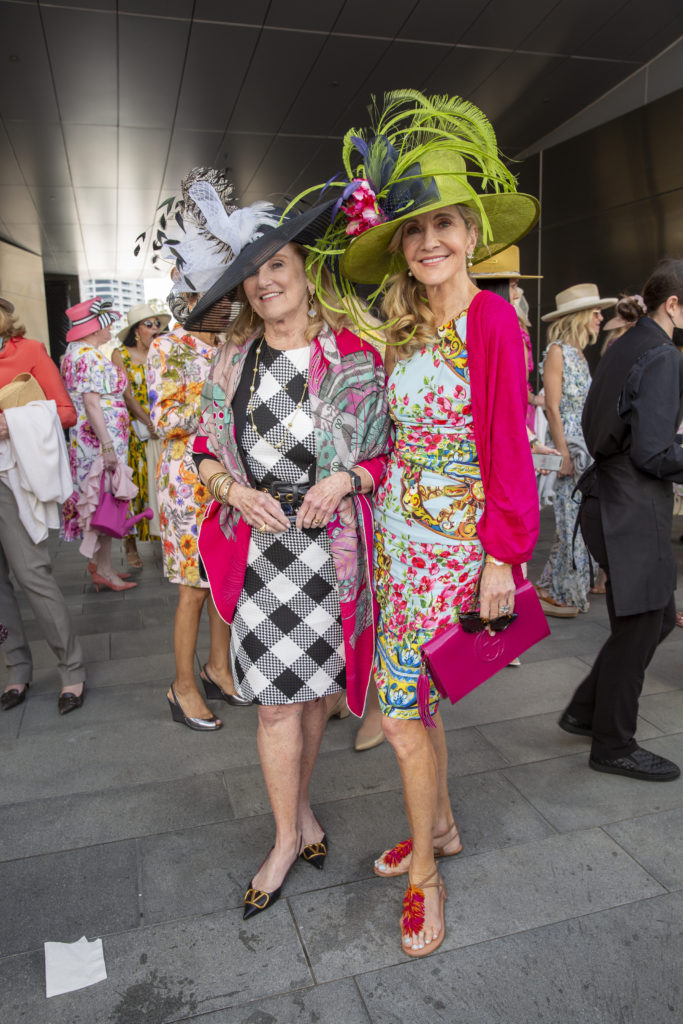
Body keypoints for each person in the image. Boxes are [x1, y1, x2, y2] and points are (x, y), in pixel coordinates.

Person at [305, 91, 540, 957]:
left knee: (404, 717)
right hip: (398, 551)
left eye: (444, 223)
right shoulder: (403, 325)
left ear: (472, 233)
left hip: (457, 556)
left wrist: (501, 561)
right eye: (413, 229)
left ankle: (426, 882)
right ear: (399, 244)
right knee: (418, 707)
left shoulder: (491, 321)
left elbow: (508, 450)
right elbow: (390, 439)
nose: (430, 240)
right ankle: (435, 828)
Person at [185, 197, 391, 920]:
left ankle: (302, 815)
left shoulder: (357, 354)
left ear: (306, 271)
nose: (264, 282)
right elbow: (202, 449)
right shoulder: (232, 357)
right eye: (252, 273)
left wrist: (346, 478)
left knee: (309, 697)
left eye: (277, 264)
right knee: (275, 705)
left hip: (333, 558)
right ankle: (283, 839)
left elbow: (388, 453)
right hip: (262, 557)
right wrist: (234, 492)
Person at [559, 259, 683, 782]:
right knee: (641, 627)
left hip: (610, 501)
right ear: (673, 305)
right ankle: (613, 742)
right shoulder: (660, 352)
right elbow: (655, 453)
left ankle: (586, 710)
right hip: (629, 509)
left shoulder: (626, 344)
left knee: (654, 619)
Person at [145, 168, 251, 731]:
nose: (227, 306)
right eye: (217, 297)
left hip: (225, 480)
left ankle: (218, 666)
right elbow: (165, 420)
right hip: (186, 485)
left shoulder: (231, 344)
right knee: (192, 587)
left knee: (222, 577)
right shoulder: (168, 346)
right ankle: (181, 685)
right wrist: (216, 405)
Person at [0, 296, 87, 714]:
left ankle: (71, 669)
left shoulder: (28, 351)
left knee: (32, 573)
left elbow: (67, 412)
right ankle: (16, 668)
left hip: (10, 477)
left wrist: (12, 422)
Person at [535, 284, 616, 617]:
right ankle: (565, 593)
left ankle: (552, 585)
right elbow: (552, 407)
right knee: (571, 520)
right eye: (596, 312)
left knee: (578, 518)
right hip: (570, 450)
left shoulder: (579, 354)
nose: (600, 318)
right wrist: (564, 453)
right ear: (579, 316)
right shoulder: (557, 351)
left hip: (585, 450)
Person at [61, 297, 137, 594]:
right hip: (99, 444)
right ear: (94, 328)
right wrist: (107, 446)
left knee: (100, 500)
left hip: (91, 442)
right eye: (107, 324)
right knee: (106, 502)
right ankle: (104, 570)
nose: (111, 329)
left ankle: (99, 563)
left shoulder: (74, 353)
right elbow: (92, 404)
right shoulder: (88, 357)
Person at [112, 303, 169, 567]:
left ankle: (165, 538)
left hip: (163, 429)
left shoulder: (163, 351)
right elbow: (126, 394)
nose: (156, 329)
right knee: (136, 489)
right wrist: (148, 421)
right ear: (136, 331)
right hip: (136, 432)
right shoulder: (120, 354)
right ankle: (130, 545)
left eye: (158, 324)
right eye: (150, 324)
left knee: (162, 486)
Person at [471, 245, 544, 429]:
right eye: (513, 286)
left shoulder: (508, 329)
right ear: (498, 288)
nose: (517, 294)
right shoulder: (507, 331)